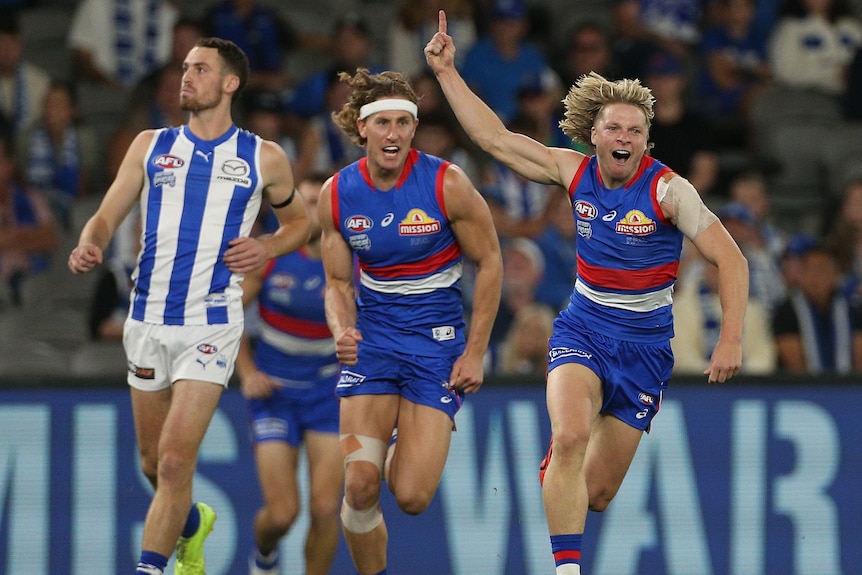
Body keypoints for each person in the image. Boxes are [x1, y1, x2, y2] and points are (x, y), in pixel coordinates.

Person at [425, 11, 749, 574]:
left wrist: (731, 339)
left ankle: (561, 476)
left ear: (646, 140)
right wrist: (448, 72)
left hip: (647, 346)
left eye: (635, 131)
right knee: (571, 436)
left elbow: (732, 259)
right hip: (584, 328)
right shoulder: (572, 172)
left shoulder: (669, 190)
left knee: (596, 493)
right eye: (614, 129)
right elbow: (493, 139)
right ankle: (567, 569)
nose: (624, 138)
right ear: (592, 134)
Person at [67, 38, 310, 575]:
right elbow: (107, 212)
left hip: (213, 322)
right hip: (148, 320)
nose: (186, 77)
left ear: (230, 83)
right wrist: (92, 240)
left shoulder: (262, 156)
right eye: (184, 68)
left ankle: (153, 568)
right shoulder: (150, 144)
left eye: (200, 69)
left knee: (176, 461)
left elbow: (302, 224)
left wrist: (267, 246)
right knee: (154, 465)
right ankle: (191, 526)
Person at [318, 67, 503, 575]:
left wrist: (475, 352)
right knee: (358, 484)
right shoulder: (335, 194)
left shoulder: (448, 184)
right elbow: (335, 283)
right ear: (362, 128)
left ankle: (401, 439)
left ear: (414, 129)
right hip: (374, 345)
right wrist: (342, 330)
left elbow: (490, 262)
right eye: (383, 123)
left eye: (404, 122)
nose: (394, 133)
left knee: (413, 497)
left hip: (436, 347)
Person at [236, 173, 342, 575]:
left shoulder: (350, 261)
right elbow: (227, 315)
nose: (313, 210)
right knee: (282, 515)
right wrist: (247, 373)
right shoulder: (273, 255)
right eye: (307, 201)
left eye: (320, 201)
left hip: (326, 394)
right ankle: (264, 555)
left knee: (326, 507)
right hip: (275, 394)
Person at [771, 241, 862, 373]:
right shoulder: (786, 312)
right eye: (809, 270)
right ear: (800, 275)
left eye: (822, 270)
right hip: (804, 389)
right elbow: (795, 367)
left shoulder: (853, 310)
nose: (816, 277)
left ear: (835, 275)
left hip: (848, 388)